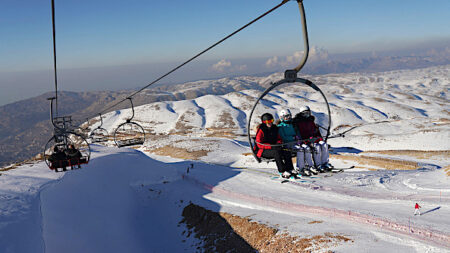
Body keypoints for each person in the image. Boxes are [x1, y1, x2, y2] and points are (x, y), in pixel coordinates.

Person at [293, 105, 333, 173]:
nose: (307, 115)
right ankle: (318, 165)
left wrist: (319, 138)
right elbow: (300, 134)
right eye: (305, 113)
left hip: (314, 139)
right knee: (316, 147)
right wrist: (306, 141)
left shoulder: (311, 121)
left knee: (324, 144)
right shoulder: (299, 122)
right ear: (301, 114)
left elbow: (315, 131)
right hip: (307, 140)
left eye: (308, 113)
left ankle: (325, 162)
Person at [255, 113, 295, 178]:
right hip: (263, 150)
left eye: (271, 121)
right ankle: (282, 171)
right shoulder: (261, 130)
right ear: (264, 122)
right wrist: (271, 146)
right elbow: (259, 144)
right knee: (276, 153)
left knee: (286, 150)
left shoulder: (274, 128)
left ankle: (290, 169)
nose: (270, 123)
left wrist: (278, 143)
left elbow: (279, 138)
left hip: (275, 147)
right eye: (268, 122)